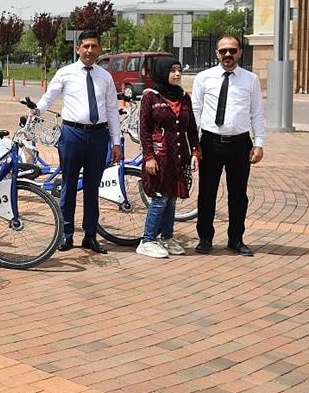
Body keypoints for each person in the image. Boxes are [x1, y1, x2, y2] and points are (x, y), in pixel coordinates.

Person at [35, 30, 122, 254]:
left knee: (93, 188)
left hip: (99, 136)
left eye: (93, 46)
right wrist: (36, 111)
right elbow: (49, 97)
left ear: (99, 48)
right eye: (85, 46)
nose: (89, 51)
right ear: (78, 49)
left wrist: (116, 142)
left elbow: (112, 110)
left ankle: (90, 236)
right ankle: (66, 234)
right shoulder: (65, 73)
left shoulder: (105, 77)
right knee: (69, 186)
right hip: (72, 135)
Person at [191, 35, 264, 256]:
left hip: (240, 144)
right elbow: (196, 111)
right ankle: (205, 238)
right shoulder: (203, 78)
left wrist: (259, 143)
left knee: (238, 195)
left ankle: (236, 239)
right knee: (207, 193)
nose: (228, 54)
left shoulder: (251, 79)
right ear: (217, 53)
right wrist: (194, 144)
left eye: (232, 50)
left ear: (240, 52)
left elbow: (256, 113)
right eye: (223, 51)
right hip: (210, 143)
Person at [136, 58, 199, 258]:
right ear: (163, 72)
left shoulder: (184, 97)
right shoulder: (151, 96)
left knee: (171, 198)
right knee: (160, 198)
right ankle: (147, 240)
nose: (177, 74)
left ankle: (167, 237)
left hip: (178, 156)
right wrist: (149, 156)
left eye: (179, 70)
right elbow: (144, 129)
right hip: (159, 157)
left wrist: (195, 152)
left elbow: (191, 128)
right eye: (172, 70)